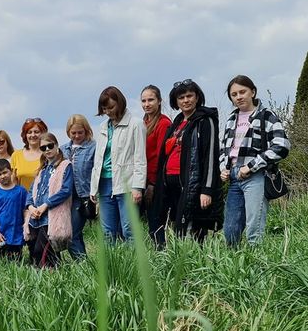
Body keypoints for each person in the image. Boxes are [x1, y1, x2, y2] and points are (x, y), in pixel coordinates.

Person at [219, 75, 291, 246]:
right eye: (234, 94)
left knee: (254, 229)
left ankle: (257, 267)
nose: (239, 97)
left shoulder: (266, 115)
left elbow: (282, 145)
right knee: (230, 232)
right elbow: (224, 149)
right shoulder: (231, 119)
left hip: (256, 176)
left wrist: (251, 166)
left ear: (253, 92)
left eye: (242, 92)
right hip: (234, 178)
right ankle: (233, 268)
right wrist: (223, 168)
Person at [89, 86, 147, 243]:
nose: (108, 111)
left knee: (129, 228)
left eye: (111, 107)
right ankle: (113, 266)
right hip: (104, 182)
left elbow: (140, 158)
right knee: (107, 231)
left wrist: (137, 187)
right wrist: (94, 187)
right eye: (104, 108)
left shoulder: (136, 124)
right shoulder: (102, 127)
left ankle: (135, 264)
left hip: (126, 182)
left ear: (120, 103)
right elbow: (99, 159)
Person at [168, 79, 222, 243]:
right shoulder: (177, 122)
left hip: (193, 186)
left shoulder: (206, 120)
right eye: (181, 97)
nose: (186, 100)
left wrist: (207, 189)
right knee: (177, 232)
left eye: (189, 96)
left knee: (194, 231)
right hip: (173, 184)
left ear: (197, 97)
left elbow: (210, 156)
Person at [26, 132, 74, 268]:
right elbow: (31, 191)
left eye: (50, 146)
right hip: (37, 216)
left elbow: (66, 190)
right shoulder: (42, 169)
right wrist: (30, 207)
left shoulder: (65, 166)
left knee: (41, 250)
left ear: (57, 145)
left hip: (52, 216)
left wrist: (46, 204)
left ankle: (49, 275)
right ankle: (54, 275)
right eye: (43, 148)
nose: (47, 150)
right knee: (38, 249)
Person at [140, 85, 176, 246]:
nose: (147, 104)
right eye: (143, 101)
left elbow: (162, 156)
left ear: (159, 101)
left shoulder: (164, 123)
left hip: (155, 181)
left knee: (156, 223)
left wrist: (153, 183)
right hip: (141, 178)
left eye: (150, 100)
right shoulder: (143, 122)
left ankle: (161, 255)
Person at [62, 114, 97, 259]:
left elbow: (97, 171)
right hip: (67, 198)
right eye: (73, 133)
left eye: (80, 132)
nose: (76, 136)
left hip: (85, 197)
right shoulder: (63, 149)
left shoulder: (94, 147)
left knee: (73, 232)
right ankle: (84, 264)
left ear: (87, 130)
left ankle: (81, 264)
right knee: (71, 234)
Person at [0, 158, 29, 261]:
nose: (3, 176)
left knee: (15, 262)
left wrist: (26, 224)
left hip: (16, 235)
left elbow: (25, 210)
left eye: (5, 172)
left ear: (11, 171)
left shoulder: (21, 191)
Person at [11, 118, 45, 190]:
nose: (33, 135)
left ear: (43, 134)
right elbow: (13, 183)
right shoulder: (16, 155)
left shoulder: (48, 155)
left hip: (44, 200)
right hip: (22, 199)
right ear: (25, 135)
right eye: (29, 132)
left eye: (36, 132)